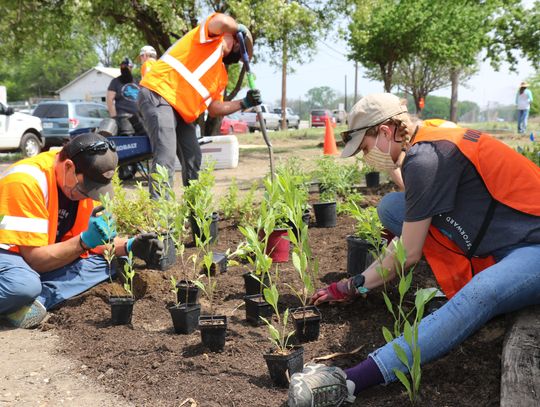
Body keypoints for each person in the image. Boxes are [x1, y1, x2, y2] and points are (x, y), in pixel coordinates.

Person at [287, 93, 540, 406]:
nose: (366, 159)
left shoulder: (425, 158)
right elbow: (414, 202)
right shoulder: (430, 135)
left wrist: (353, 284)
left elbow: (407, 254)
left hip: (533, 244)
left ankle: (351, 381)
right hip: (502, 235)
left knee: (480, 295)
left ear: (385, 131)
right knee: (394, 207)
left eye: (365, 149)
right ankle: (474, 276)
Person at [0, 133, 164, 329]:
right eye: (85, 189)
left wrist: (130, 246)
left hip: (39, 257)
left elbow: (97, 243)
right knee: (23, 286)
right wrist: (83, 241)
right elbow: (34, 259)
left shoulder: (85, 182)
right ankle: (24, 297)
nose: (88, 196)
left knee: (111, 263)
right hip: (9, 253)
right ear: (68, 167)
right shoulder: (26, 182)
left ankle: (33, 303)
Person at [137, 13, 261, 193]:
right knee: (165, 157)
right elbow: (223, 21)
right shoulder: (208, 38)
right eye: (239, 49)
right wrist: (238, 29)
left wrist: (244, 102)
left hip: (180, 110)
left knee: (193, 157)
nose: (237, 57)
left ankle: (198, 217)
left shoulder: (220, 75)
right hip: (159, 93)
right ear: (233, 38)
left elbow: (214, 108)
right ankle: (161, 218)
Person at [106, 57, 145, 136]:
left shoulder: (137, 81)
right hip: (123, 117)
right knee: (128, 137)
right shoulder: (115, 81)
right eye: (122, 66)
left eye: (127, 66)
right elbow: (109, 99)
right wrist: (114, 117)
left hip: (138, 117)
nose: (124, 68)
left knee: (144, 136)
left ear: (131, 68)